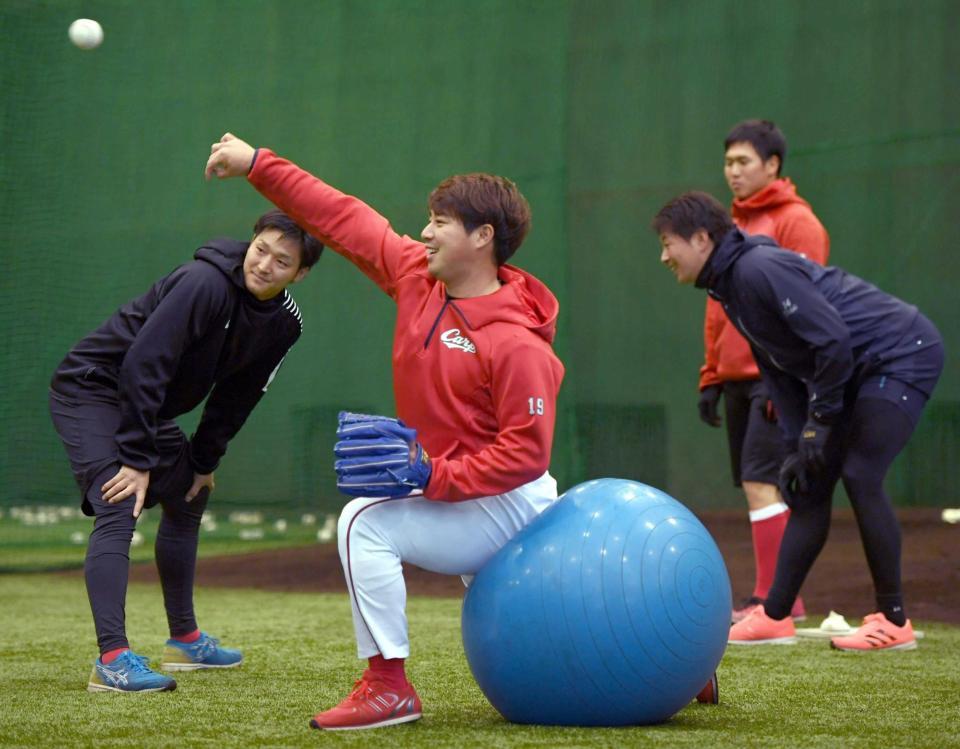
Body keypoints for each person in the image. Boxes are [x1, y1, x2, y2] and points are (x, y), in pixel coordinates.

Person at [205, 133, 565, 729]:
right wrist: (257, 165)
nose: (424, 233)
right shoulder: (417, 279)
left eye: (440, 222)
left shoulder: (515, 339)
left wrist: (431, 473)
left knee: (362, 523)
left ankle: (387, 686)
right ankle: (668, 667)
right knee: (544, 632)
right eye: (428, 220)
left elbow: (526, 455)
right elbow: (341, 216)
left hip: (509, 503)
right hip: (457, 494)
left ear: (482, 237)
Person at [653, 191, 943, 652]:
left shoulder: (755, 269)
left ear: (703, 239)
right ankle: (774, 615)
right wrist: (798, 442)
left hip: (902, 354)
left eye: (669, 243)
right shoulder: (728, 283)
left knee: (861, 473)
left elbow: (831, 343)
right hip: (854, 369)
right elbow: (779, 367)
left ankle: (893, 620)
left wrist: (819, 423)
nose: (664, 255)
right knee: (810, 486)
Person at [49, 210, 323, 692]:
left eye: (282, 261)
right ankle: (112, 659)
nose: (263, 265)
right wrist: (135, 460)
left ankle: (184, 640)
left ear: (300, 274)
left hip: (145, 408)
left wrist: (203, 461)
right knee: (119, 501)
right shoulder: (205, 283)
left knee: (191, 495)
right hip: (92, 389)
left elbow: (241, 394)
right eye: (260, 249)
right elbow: (143, 363)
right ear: (250, 241)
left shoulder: (284, 323)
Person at [702, 120, 830, 623]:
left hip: (775, 377)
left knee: (763, 482)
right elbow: (718, 310)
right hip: (734, 376)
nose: (732, 172)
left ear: (773, 165)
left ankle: (775, 602)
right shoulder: (732, 229)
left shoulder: (798, 223)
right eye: (728, 163)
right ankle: (777, 600)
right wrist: (710, 375)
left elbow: (807, 308)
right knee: (755, 483)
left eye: (743, 162)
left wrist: (792, 381)